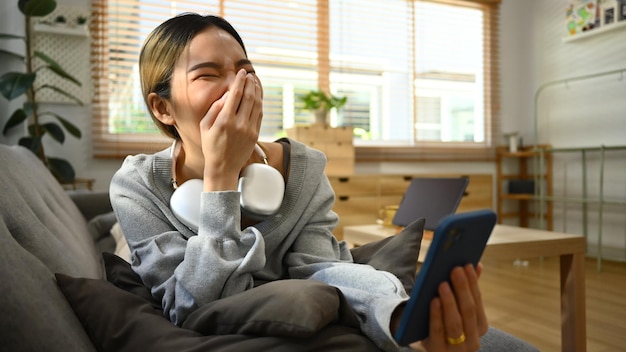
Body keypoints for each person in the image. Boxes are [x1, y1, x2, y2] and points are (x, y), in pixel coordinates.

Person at [109, 13, 530, 352]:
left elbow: (322, 270)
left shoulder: (304, 168)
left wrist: (401, 316)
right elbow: (189, 306)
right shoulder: (136, 186)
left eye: (245, 70)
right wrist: (221, 181)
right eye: (207, 74)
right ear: (163, 107)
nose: (237, 86)